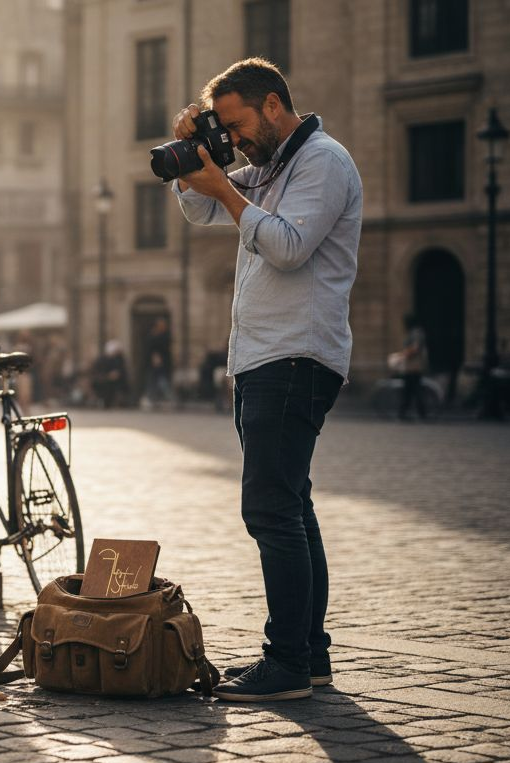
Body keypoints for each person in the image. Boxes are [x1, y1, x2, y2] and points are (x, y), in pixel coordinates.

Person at [171, 58, 361, 701]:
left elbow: (285, 246)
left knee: (271, 510)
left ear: (274, 106)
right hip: (265, 358)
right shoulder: (274, 165)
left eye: (238, 124)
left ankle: (285, 663)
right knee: (292, 508)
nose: (236, 140)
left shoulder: (322, 163)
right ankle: (308, 658)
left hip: (295, 357)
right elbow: (199, 211)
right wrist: (198, 156)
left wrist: (226, 188)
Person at [397, 314, 429, 420]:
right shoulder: (417, 332)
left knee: (411, 391)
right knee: (411, 391)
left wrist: (403, 354)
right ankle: (415, 412)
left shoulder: (416, 333)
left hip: (414, 367)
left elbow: (415, 348)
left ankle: (405, 413)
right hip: (412, 367)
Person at [141, 318, 173, 410]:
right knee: (152, 382)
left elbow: (164, 348)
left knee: (163, 382)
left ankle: (169, 400)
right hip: (152, 364)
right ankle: (151, 400)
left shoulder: (165, 336)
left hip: (162, 363)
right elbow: (149, 348)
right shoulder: (152, 335)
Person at [92, 340, 129, 409]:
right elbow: (97, 373)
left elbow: (122, 370)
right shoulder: (101, 360)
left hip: (116, 380)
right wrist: (108, 376)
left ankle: (121, 400)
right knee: (104, 385)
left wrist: (117, 374)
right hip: (103, 380)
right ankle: (104, 401)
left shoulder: (118, 359)